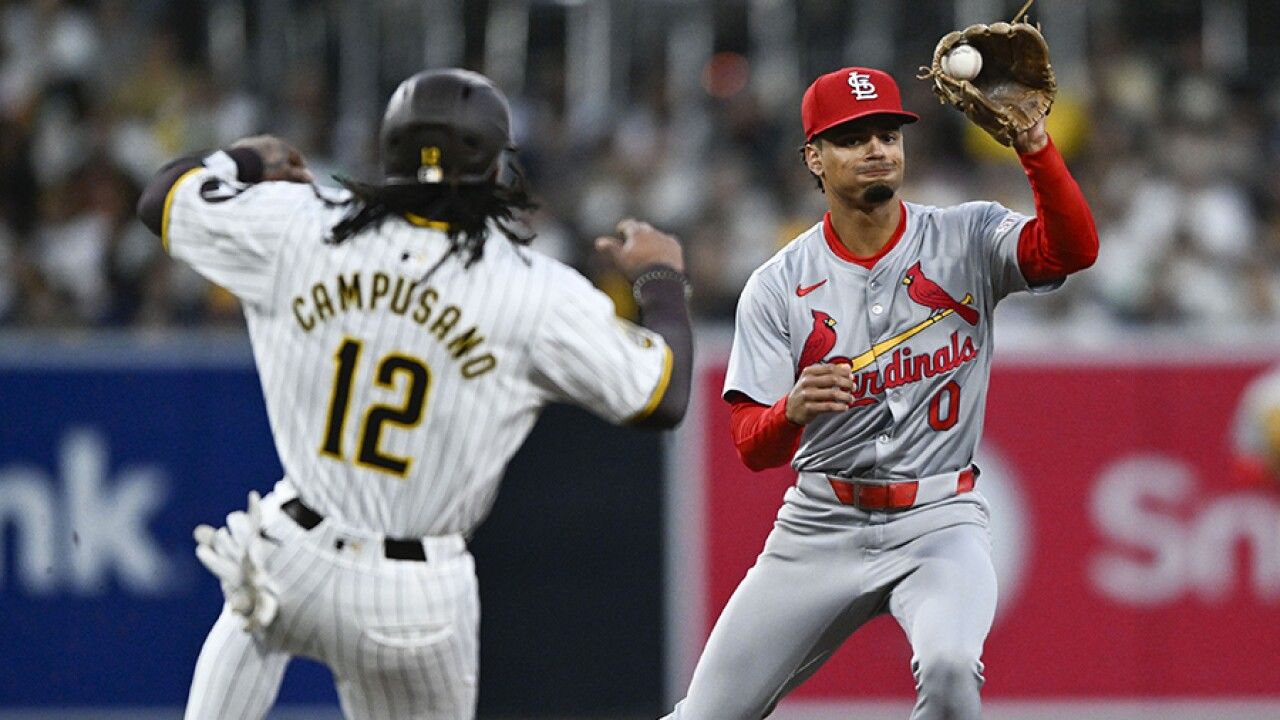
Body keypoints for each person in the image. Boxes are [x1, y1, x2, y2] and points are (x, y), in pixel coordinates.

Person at [136, 67, 693, 720]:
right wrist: (659, 278)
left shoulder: (300, 224)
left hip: (290, 554)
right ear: (495, 169)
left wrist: (247, 158)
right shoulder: (532, 290)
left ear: (390, 153)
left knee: (253, 602)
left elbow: (163, 197)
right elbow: (661, 396)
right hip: (411, 595)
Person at [663, 67, 1097, 719]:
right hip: (821, 523)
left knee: (951, 673)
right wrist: (791, 411)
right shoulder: (779, 285)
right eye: (852, 138)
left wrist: (1035, 145)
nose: (876, 150)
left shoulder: (966, 235)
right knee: (705, 715)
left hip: (940, 519)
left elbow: (1073, 250)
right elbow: (753, 446)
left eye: (888, 135)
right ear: (814, 158)